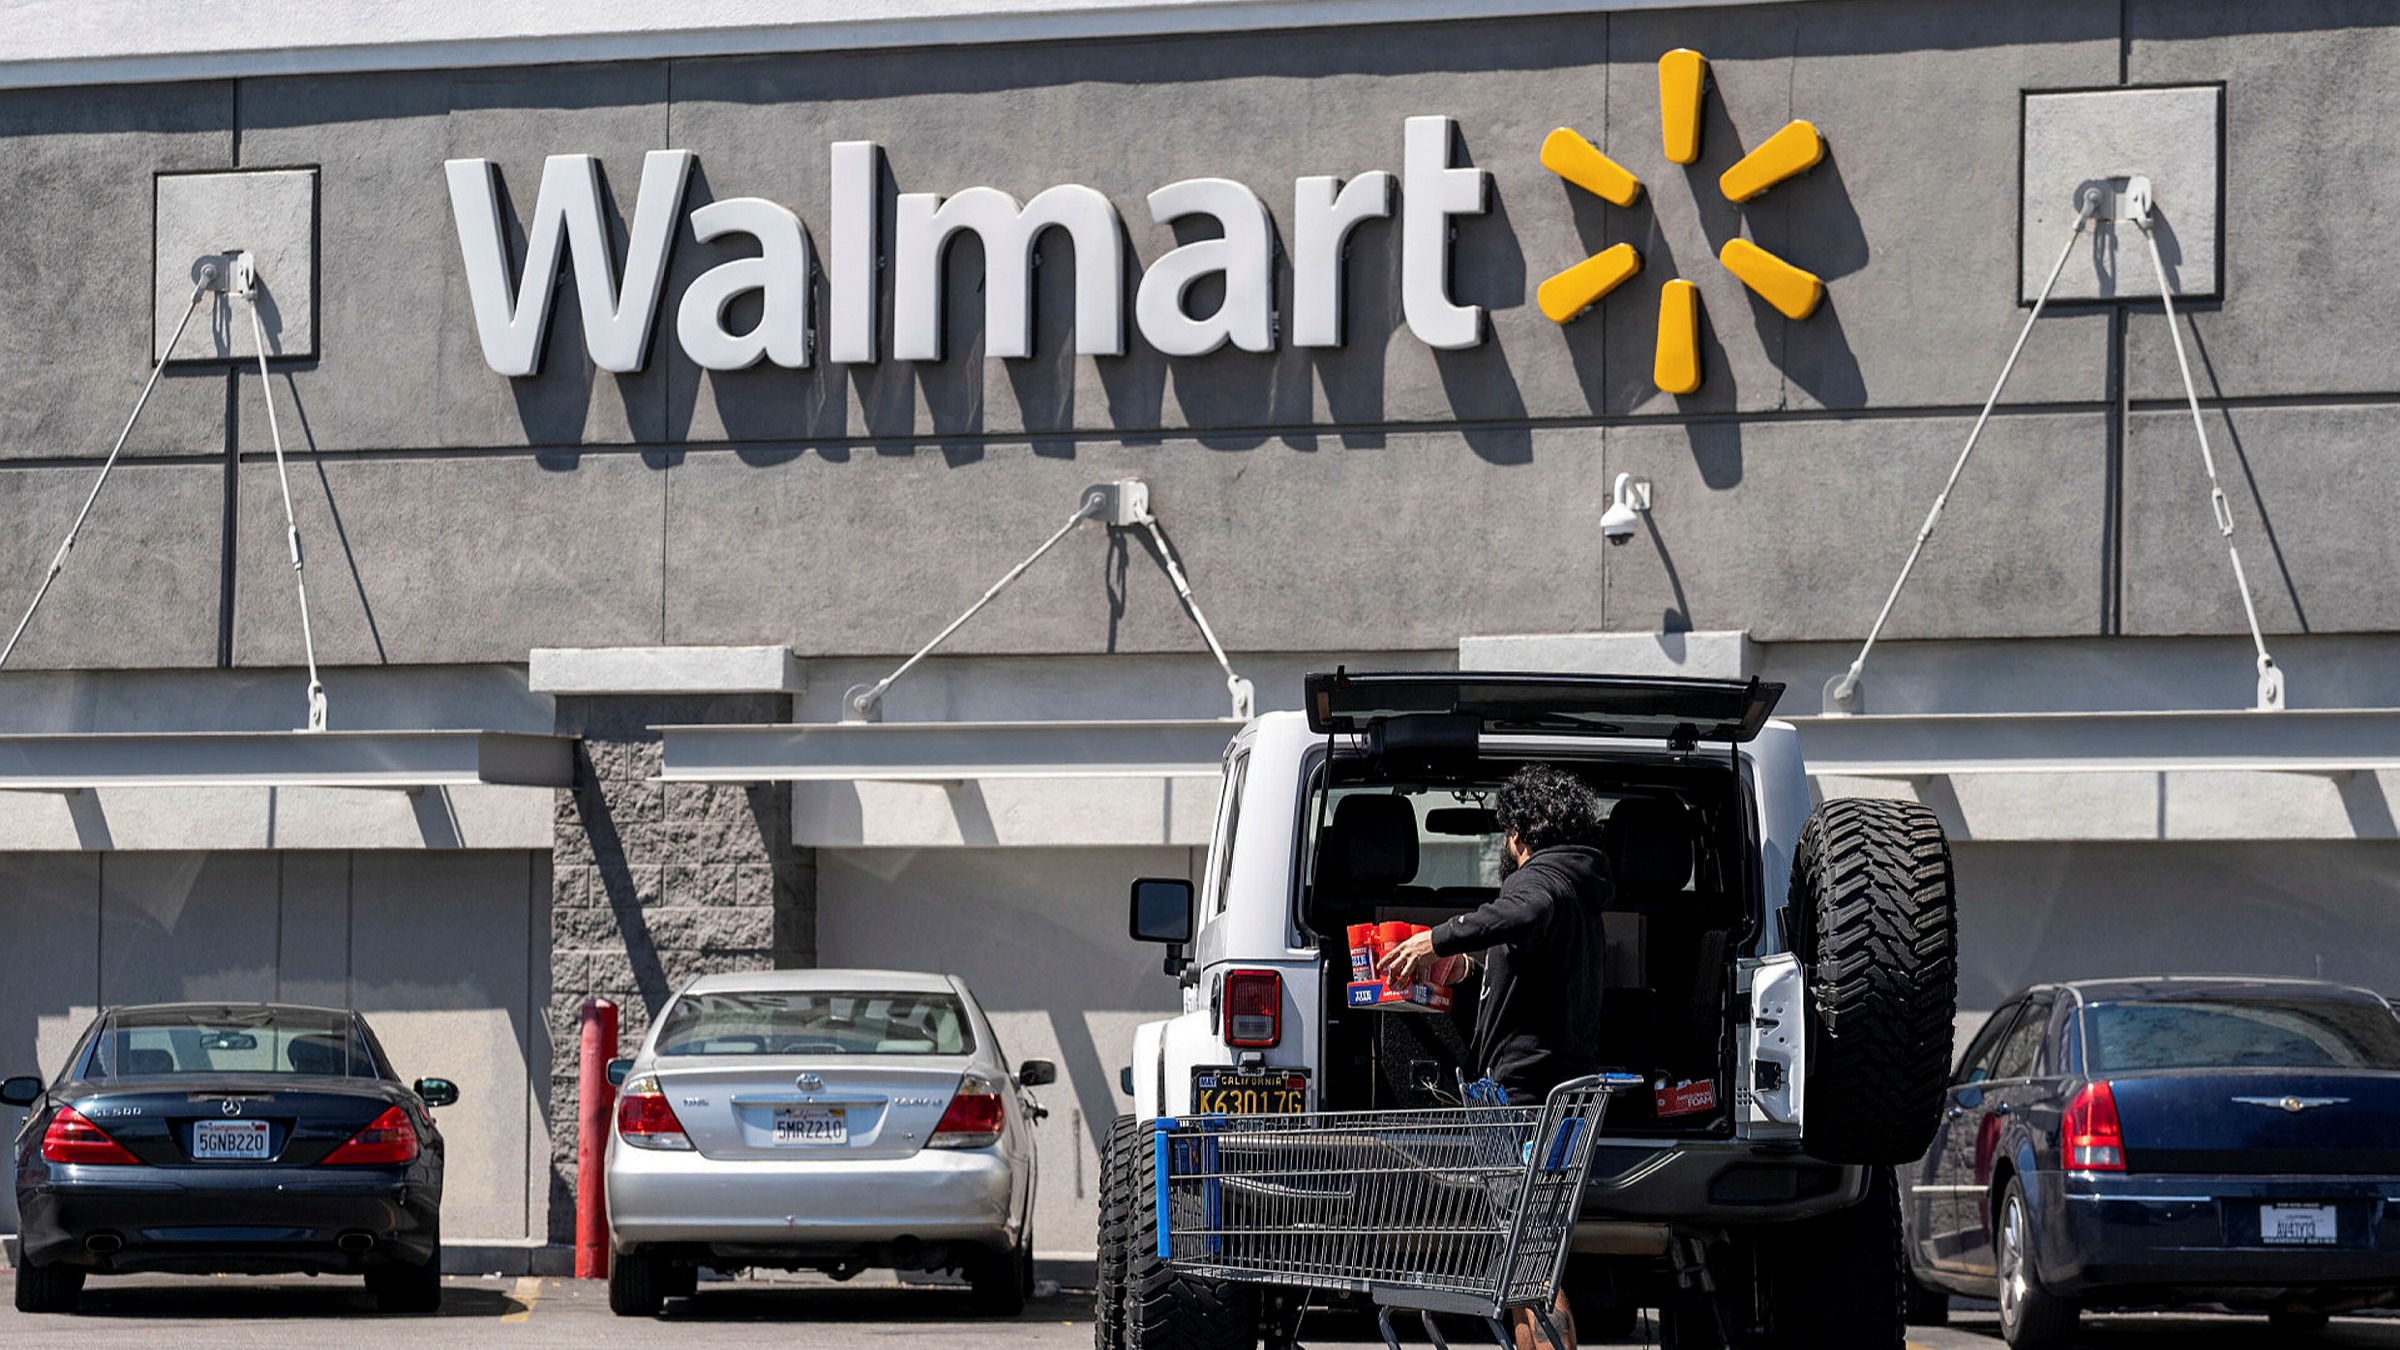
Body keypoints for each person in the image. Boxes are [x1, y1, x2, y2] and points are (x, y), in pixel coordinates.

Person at [1379, 762, 1610, 1350]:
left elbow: (1521, 913)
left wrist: (1438, 938)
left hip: (1526, 1099)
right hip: (1557, 1094)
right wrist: (1467, 967)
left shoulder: (1538, 881)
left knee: (1533, 1263)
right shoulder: (1577, 887)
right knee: (1528, 1255)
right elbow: (1530, 958)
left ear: (1519, 834)